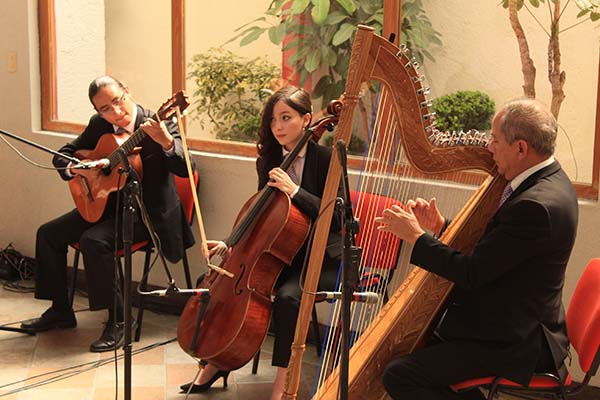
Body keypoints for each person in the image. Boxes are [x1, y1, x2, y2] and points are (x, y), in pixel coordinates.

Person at [375, 98, 578, 400]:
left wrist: (417, 238)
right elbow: (501, 249)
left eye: (495, 140)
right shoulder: (547, 181)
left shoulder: (535, 205)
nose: (489, 147)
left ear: (521, 148)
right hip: (514, 319)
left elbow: (472, 273)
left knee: (400, 373)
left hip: (516, 342)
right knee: (417, 343)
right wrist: (442, 226)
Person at [179, 86, 342, 399]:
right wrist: (229, 245)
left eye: (286, 117)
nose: (278, 126)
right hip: (276, 252)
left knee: (289, 299)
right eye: (273, 120)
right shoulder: (268, 159)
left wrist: (295, 191)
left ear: (307, 119)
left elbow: (337, 217)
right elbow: (260, 214)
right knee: (210, 283)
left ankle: (283, 379)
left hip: (316, 256)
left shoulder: (326, 158)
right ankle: (218, 360)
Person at [21, 75, 195, 353]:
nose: (115, 112)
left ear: (127, 91)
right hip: (105, 205)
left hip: (147, 214)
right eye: (105, 109)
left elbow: (187, 168)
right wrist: (75, 169)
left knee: (93, 240)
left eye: (118, 101)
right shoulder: (99, 126)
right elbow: (63, 155)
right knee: (48, 234)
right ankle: (60, 310)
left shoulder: (160, 121)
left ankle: (118, 320)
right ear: (97, 111)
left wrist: (166, 143)